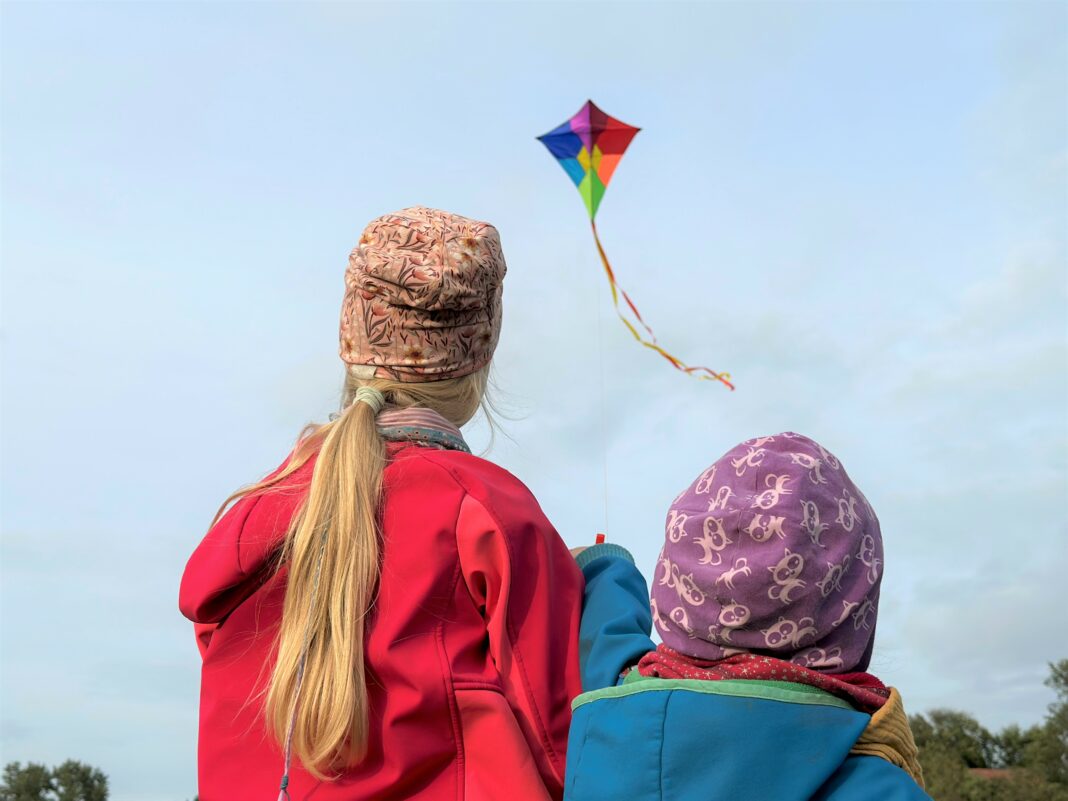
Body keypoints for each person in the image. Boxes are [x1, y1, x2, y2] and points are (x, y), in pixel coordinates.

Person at [179, 207, 584, 801]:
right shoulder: (491, 510)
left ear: (348, 339)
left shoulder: (253, 515)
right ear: (480, 360)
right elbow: (564, 746)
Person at [564, 433, 931, 801]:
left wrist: (605, 567)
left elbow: (611, 643)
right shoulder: (881, 789)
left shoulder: (610, 710)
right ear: (852, 608)